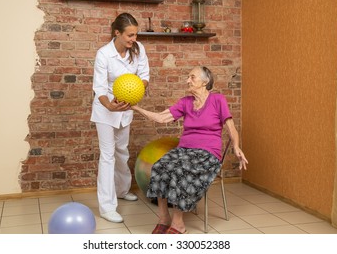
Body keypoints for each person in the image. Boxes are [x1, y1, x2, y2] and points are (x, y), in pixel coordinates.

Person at [131, 66, 248, 234]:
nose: (187, 80)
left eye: (192, 77)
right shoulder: (185, 102)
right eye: (188, 77)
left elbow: (231, 128)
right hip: (184, 151)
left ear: (205, 82)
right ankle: (164, 218)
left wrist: (236, 146)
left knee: (181, 171)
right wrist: (135, 108)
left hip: (208, 154)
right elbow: (162, 117)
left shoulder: (218, 100)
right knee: (160, 166)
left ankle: (178, 223)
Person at [91, 13, 150, 223]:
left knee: (122, 151)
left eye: (135, 34)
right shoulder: (103, 54)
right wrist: (110, 105)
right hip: (106, 110)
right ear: (117, 32)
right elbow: (99, 87)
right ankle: (107, 207)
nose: (134, 39)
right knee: (107, 156)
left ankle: (122, 190)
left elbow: (144, 76)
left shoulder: (138, 49)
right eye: (130, 35)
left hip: (126, 108)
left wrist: (134, 90)